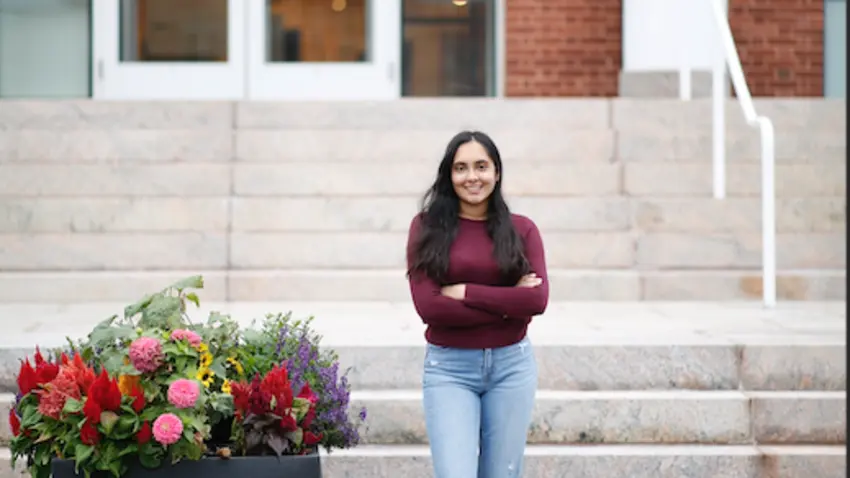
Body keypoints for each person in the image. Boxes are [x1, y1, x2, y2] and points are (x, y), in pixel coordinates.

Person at [405, 130, 549, 478]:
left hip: (512, 368)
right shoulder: (426, 228)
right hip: (449, 369)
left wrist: (466, 291)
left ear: (496, 172)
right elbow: (431, 308)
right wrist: (508, 301)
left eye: (481, 166)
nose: (472, 177)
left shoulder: (522, 230)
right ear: (449, 175)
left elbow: (537, 300)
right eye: (462, 168)